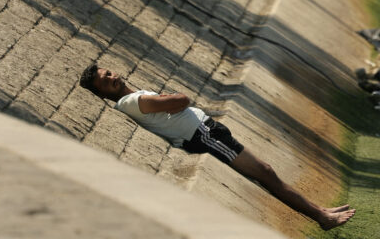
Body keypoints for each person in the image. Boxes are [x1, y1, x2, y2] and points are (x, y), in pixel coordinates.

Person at [79, 65, 355, 231]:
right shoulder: (131, 102)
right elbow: (182, 100)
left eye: (108, 73)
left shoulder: (132, 96)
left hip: (207, 130)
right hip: (203, 136)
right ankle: (321, 217)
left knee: (267, 174)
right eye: (104, 82)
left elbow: (173, 103)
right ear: (102, 93)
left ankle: (320, 210)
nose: (111, 78)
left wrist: (168, 99)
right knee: (266, 173)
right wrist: (168, 98)